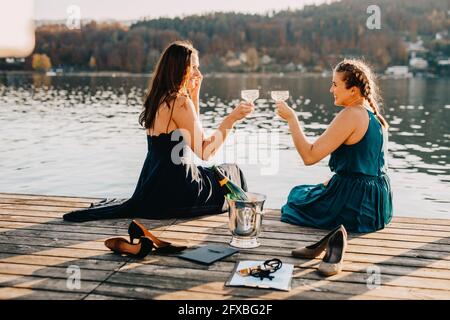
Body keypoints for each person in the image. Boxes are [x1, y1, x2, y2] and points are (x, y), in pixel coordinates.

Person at [63, 40, 254, 222]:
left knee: (218, 172)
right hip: (179, 192)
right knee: (233, 172)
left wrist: (194, 94)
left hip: (153, 187)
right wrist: (231, 119)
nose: (198, 73)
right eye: (194, 67)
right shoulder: (179, 103)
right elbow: (205, 151)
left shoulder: (160, 99)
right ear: (180, 69)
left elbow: (193, 131)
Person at [276, 59, 393, 233]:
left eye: (335, 84)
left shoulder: (351, 114)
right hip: (379, 206)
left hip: (356, 205)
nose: (331, 90)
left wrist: (292, 119)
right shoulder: (375, 118)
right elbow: (362, 167)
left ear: (353, 90)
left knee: (295, 199)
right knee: (309, 191)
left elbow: (309, 156)